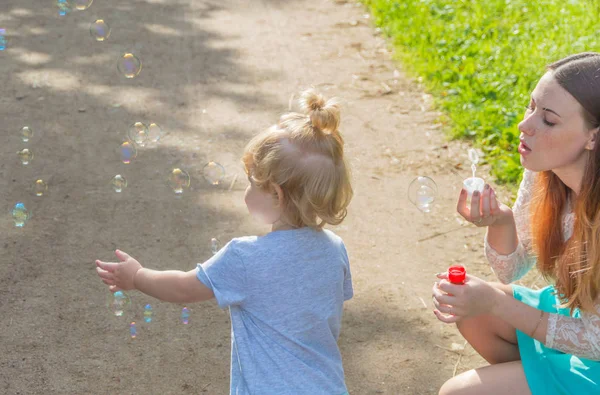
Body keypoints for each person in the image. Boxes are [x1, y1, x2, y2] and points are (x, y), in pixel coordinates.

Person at [95, 89, 354, 395]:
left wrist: (137, 276)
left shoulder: (245, 257)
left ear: (276, 194)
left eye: (251, 182)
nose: (245, 189)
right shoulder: (335, 249)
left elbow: (182, 287)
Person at [433, 52, 600, 394]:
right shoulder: (545, 172)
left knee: (456, 393)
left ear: (593, 138)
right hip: (577, 318)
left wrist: (497, 303)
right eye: (531, 106)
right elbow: (511, 270)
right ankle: (542, 379)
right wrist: (501, 220)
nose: (526, 125)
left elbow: (595, 341)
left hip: (594, 345)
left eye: (548, 120)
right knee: (472, 311)